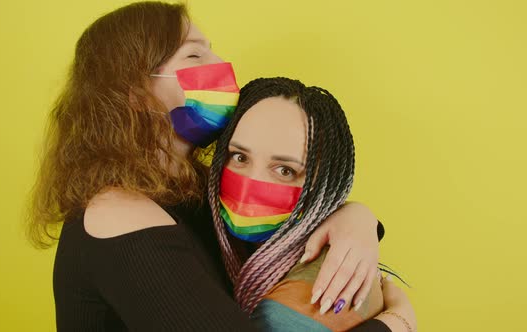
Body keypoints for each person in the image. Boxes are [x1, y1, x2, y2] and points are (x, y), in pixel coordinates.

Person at [26, 2, 401, 330]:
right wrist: (395, 324)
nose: (220, 65)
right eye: (194, 55)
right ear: (137, 95)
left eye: (212, 51)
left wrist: (357, 216)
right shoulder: (117, 214)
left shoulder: (193, 193)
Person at [207, 77, 417, 331]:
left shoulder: (303, 299)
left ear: (322, 186)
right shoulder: (219, 235)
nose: (251, 182)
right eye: (239, 156)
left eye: (285, 170)